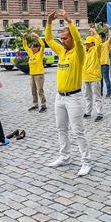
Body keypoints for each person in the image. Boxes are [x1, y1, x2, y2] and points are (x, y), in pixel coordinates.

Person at [45, 9, 91, 176]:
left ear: (72, 37)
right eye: (62, 39)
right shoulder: (62, 51)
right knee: (61, 128)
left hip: (74, 97)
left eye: (65, 38)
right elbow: (49, 40)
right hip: (60, 97)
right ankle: (65, 157)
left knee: (78, 131)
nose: (62, 41)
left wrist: (69, 21)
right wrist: (49, 22)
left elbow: (79, 40)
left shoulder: (79, 52)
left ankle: (86, 162)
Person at [82, 26, 104, 122]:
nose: (86, 45)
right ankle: (88, 112)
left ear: (92, 44)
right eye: (85, 43)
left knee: (97, 96)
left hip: (94, 77)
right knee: (87, 96)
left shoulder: (96, 50)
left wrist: (95, 33)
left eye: (87, 44)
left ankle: (99, 113)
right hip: (85, 77)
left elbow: (99, 43)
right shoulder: (84, 51)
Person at [22, 32, 47, 113]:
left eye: (33, 48)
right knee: (33, 90)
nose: (31, 49)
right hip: (32, 75)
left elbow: (43, 45)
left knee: (40, 90)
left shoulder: (40, 54)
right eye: (31, 47)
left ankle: (43, 105)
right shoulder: (31, 54)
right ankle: (35, 104)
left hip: (39, 75)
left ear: (37, 48)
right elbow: (25, 46)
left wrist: (37, 37)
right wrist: (24, 38)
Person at [99, 25, 111, 98]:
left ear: (103, 38)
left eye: (100, 37)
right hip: (98, 65)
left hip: (105, 64)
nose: (99, 39)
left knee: (106, 79)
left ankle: (108, 93)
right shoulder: (98, 45)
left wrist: (110, 28)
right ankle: (100, 93)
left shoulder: (106, 44)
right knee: (100, 80)